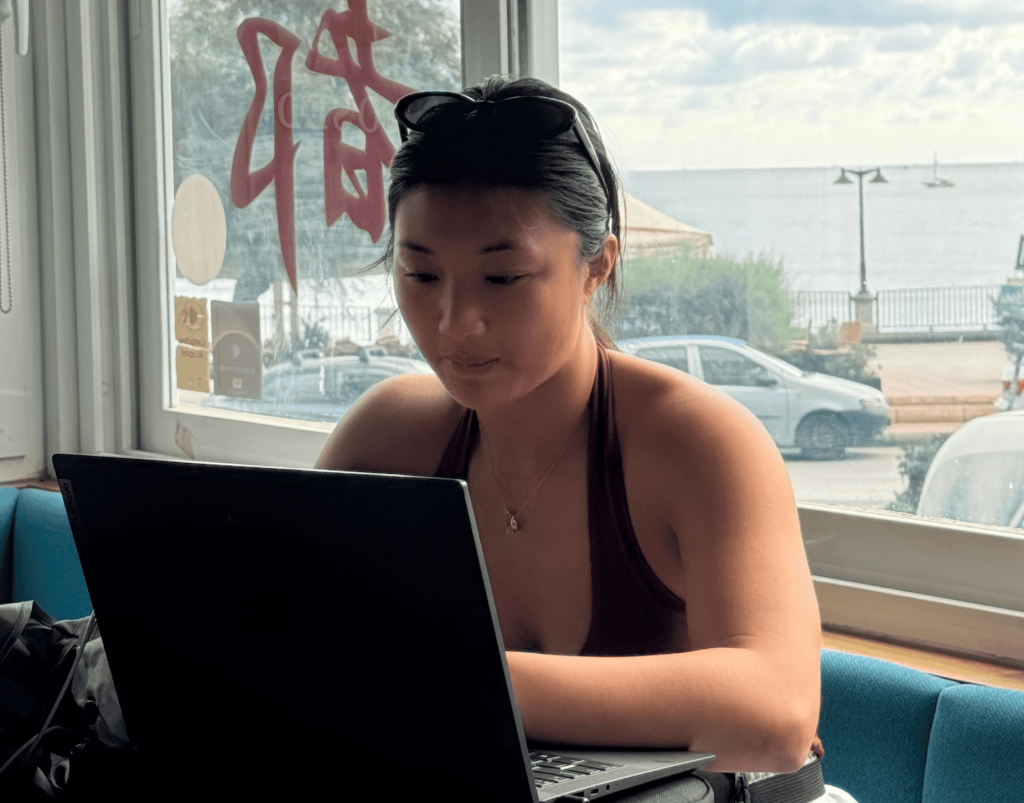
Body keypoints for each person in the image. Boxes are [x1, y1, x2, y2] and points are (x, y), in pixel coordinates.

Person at [316, 75, 824, 799]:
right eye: (420, 273)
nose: (455, 322)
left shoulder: (699, 442)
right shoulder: (387, 438)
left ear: (597, 268)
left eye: (503, 277)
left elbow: (774, 712)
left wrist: (455, 677)